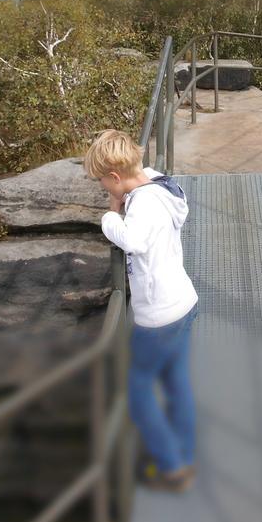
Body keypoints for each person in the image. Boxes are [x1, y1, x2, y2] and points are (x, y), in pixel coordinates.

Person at [84, 129, 199, 493]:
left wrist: (109, 215)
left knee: (136, 393)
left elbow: (132, 239)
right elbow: (142, 175)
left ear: (116, 177)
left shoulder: (144, 203)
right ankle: (184, 452)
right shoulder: (159, 186)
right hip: (183, 303)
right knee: (176, 379)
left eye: (104, 183)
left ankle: (172, 466)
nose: (105, 189)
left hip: (159, 316)